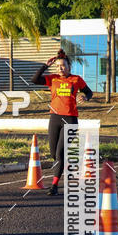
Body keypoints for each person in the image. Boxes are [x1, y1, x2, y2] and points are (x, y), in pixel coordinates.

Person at [32, 50, 93, 195]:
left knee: (59, 153)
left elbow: (89, 92)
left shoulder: (76, 79)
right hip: (54, 118)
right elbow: (34, 79)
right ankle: (65, 166)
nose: (61, 68)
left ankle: (54, 186)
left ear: (69, 66)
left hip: (70, 119)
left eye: (63, 65)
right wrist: (45, 66)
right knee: (54, 153)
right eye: (58, 66)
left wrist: (85, 98)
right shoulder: (52, 79)